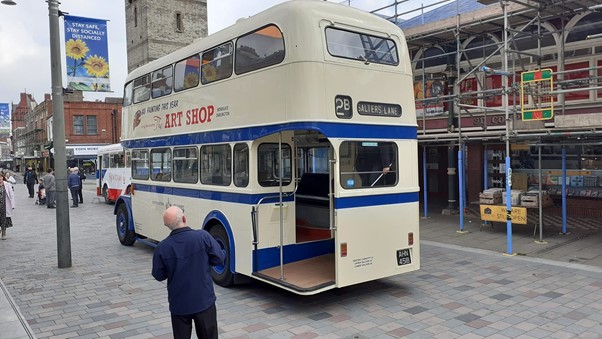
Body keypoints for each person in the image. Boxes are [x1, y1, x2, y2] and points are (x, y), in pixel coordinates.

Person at [152, 206, 225, 339]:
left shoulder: (162, 247)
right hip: (204, 301)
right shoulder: (203, 236)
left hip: (179, 305)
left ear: (167, 225)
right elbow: (219, 258)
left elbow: (158, 275)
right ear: (184, 218)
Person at [0, 173, 15, 240]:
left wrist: (13, 204)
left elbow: (11, 195)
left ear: (2, 177)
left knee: (4, 219)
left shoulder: (7, 185)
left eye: (0, 178)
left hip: (4, 205)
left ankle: (4, 233)